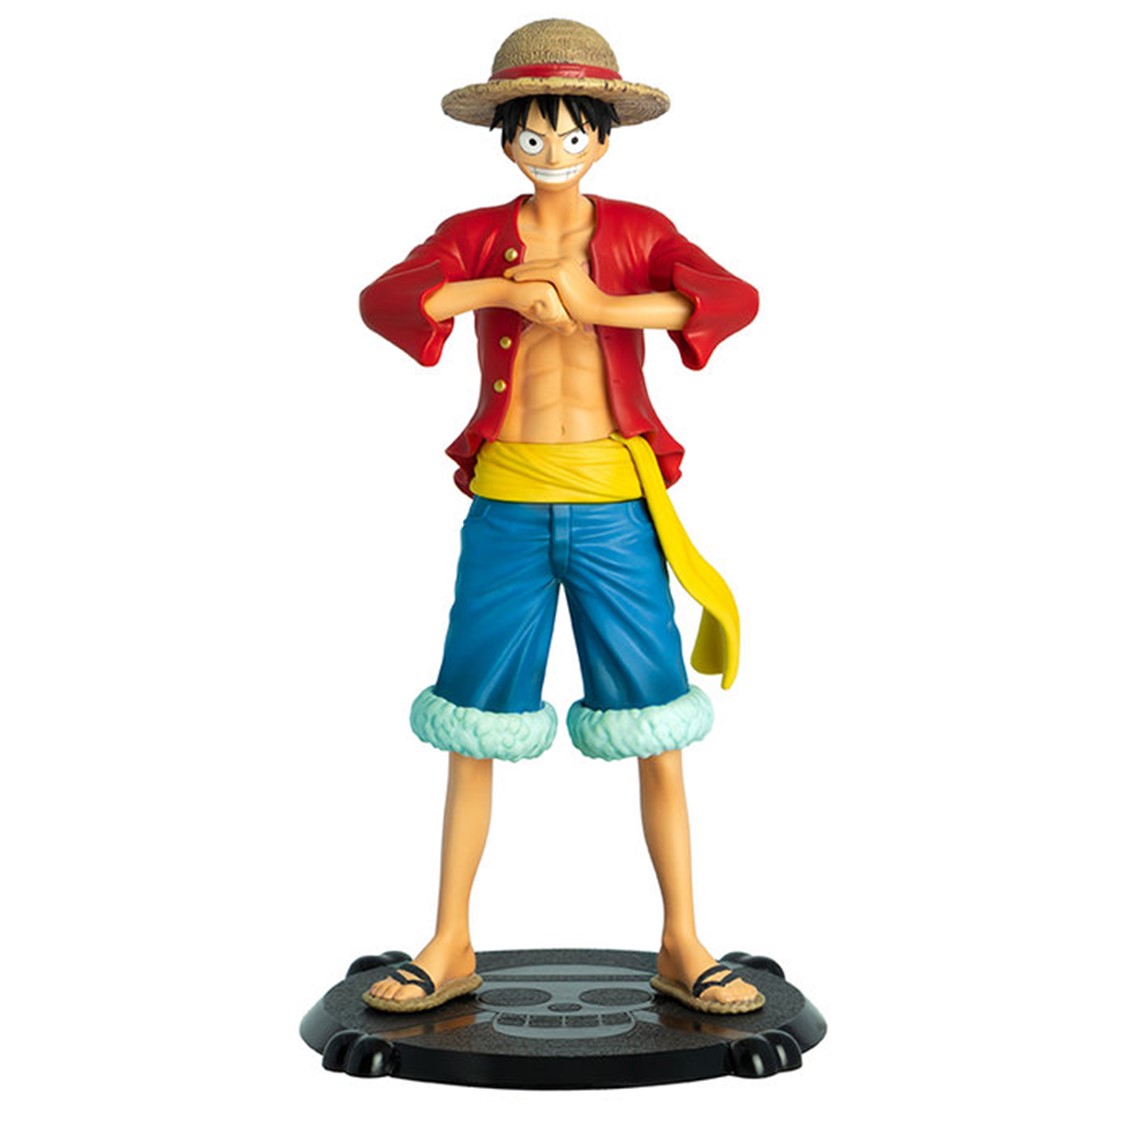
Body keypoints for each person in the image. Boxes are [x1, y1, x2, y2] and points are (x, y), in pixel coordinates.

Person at [358, 19, 763, 1015]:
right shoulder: (474, 232)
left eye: (570, 134)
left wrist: (595, 303)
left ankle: (682, 940)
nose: (551, 151)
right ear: (505, 140)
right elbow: (388, 299)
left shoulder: (639, 232)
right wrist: (499, 287)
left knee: (655, 722)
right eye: (531, 135)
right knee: (474, 723)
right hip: (506, 502)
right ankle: (451, 940)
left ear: (603, 139)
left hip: (616, 504)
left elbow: (731, 299)